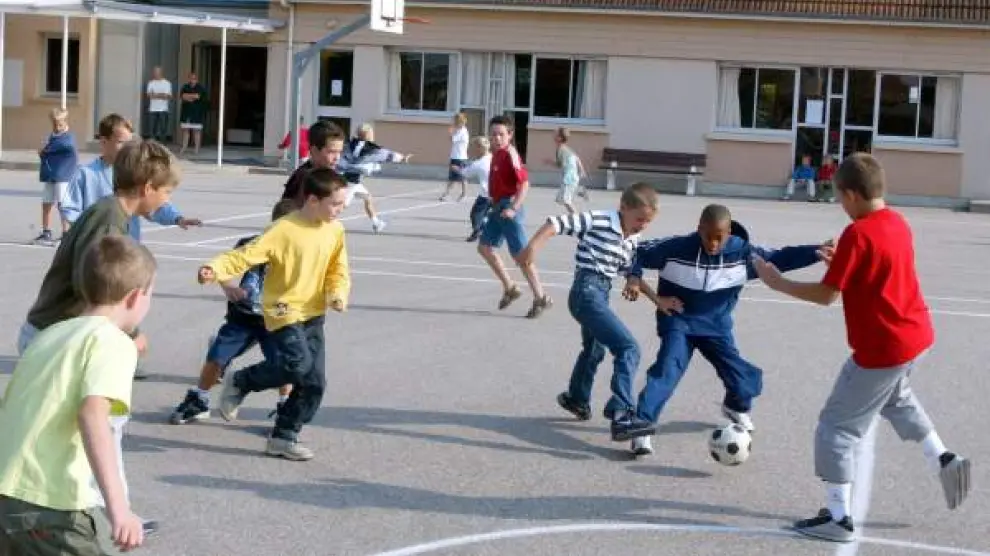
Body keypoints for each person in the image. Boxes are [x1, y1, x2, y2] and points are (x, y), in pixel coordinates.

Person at [753, 153, 971, 542]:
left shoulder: (857, 234)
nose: (841, 205)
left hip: (883, 348)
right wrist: (843, 263)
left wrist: (777, 283)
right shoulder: (897, 222)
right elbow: (875, 271)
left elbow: (827, 295)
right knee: (896, 399)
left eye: (840, 197)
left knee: (836, 426)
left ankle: (838, 519)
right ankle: (943, 458)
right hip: (916, 335)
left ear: (852, 194)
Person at [623, 204, 831, 456]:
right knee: (667, 370)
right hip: (678, 321)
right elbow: (636, 252)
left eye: (719, 237)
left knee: (744, 381)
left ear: (729, 232)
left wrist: (816, 251)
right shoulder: (675, 248)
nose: (712, 243)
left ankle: (734, 407)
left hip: (716, 327)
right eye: (707, 236)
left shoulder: (743, 253)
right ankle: (642, 427)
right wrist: (637, 280)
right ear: (699, 229)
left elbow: (781, 257)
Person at [0, 235, 157, 555]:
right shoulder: (112, 342)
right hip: (48, 502)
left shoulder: (50, 335)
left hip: (8, 491)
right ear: (134, 297)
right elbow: (92, 414)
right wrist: (120, 510)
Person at [199, 168, 351, 461]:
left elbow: (338, 269)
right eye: (335, 204)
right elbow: (244, 255)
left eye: (343, 204)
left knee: (314, 383)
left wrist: (337, 293)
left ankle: (283, 437)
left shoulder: (335, 230)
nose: (340, 209)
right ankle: (242, 381)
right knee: (297, 365)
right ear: (312, 200)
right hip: (283, 310)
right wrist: (214, 268)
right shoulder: (283, 230)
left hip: (313, 313)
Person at [520, 182, 659, 442]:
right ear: (623, 207)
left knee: (594, 350)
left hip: (600, 295)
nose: (642, 226)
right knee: (628, 348)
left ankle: (576, 399)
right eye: (639, 219)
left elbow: (629, 271)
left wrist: (656, 299)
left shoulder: (632, 238)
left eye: (648, 222)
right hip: (586, 292)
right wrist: (531, 249)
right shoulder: (601, 219)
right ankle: (622, 414)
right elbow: (557, 223)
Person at [169, 199, 296, 425]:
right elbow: (227, 266)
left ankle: (285, 405)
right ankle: (199, 399)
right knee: (217, 356)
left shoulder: (298, 253)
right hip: (244, 315)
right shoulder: (252, 244)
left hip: (277, 318)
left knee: (283, 364)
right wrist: (228, 286)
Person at [478, 115, 552, 318]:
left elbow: (525, 184)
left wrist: (513, 208)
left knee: (522, 257)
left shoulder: (511, 155)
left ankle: (541, 297)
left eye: (501, 134)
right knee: (484, 247)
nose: (497, 138)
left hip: (509, 209)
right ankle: (510, 287)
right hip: (497, 209)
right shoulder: (497, 154)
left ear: (509, 135)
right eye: (493, 134)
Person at [34, 107, 77, 246]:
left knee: (62, 204)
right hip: (51, 175)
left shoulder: (68, 137)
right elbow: (46, 152)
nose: (57, 127)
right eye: (54, 124)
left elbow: (65, 146)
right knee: (46, 203)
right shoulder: (52, 136)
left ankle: (66, 234)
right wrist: (43, 152)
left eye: (60, 124)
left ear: (65, 122)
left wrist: (46, 149)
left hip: (63, 176)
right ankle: (46, 232)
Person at [281, 120, 346, 207]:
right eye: (331, 152)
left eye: (339, 152)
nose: (337, 157)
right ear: (314, 150)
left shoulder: (329, 174)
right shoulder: (304, 178)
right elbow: (287, 211)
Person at [440, 112, 470, 202]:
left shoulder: (462, 131)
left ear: (460, 122)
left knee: (462, 177)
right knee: (452, 177)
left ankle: (464, 195)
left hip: (460, 158)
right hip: (455, 157)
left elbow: (452, 139)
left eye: (455, 121)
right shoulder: (459, 130)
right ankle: (447, 194)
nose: (454, 123)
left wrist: (450, 132)